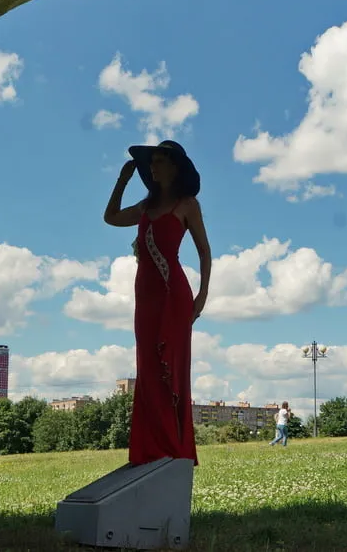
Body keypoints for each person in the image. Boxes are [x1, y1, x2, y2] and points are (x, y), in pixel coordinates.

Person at [104, 140, 211, 466]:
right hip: (144, 296)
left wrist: (201, 295)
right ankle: (150, 451)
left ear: (174, 167)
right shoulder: (145, 206)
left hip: (173, 295)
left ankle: (173, 450)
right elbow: (110, 218)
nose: (153, 166)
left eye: (160, 160)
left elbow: (204, 251)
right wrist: (122, 180)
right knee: (148, 369)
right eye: (152, 162)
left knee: (172, 368)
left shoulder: (187, 204)